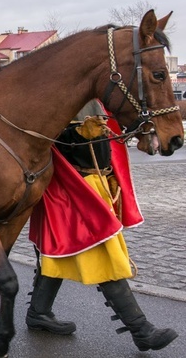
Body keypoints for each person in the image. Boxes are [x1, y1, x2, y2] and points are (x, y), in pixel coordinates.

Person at [26, 100, 178, 352]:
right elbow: (46, 141)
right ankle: (140, 329)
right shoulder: (58, 91)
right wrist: (74, 133)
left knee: (58, 253)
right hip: (69, 187)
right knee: (104, 253)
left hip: (95, 184)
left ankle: (39, 312)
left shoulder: (97, 98)